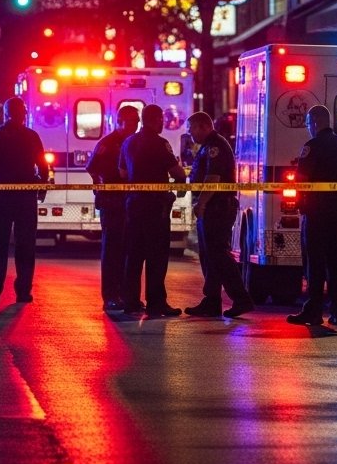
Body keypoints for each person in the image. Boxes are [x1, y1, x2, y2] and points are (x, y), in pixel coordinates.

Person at [287, 104, 337, 326]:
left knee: (315, 263)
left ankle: (314, 311)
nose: (308, 128)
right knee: (336, 262)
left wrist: (298, 203)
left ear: (315, 122)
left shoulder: (312, 146)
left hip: (316, 212)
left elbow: (302, 179)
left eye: (308, 123)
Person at [0, 97, 50, 305]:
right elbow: (43, 166)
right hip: (26, 197)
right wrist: (41, 190)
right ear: (24, 113)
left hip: (1, 196)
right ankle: (23, 292)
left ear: (6, 113)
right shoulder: (32, 136)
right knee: (26, 246)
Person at [118, 104, 186, 317]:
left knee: (133, 255)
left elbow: (121, 173)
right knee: (157, 256)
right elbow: (177, 172)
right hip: (156, 208)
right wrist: (180, 182)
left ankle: (130, 301)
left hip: (133, 205)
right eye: (161, 120)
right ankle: (156, 303)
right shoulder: (160, 143)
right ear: (156, 119)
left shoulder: (128, 142)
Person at [184, 111, 253, 318]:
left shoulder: (215, 147)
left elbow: (212, 178)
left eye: (192, 129)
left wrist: (202, 204)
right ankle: (212, 301)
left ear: (203, 126)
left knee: (219, 256)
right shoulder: (207, 146)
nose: (190, 134)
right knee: (209, 256)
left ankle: (241, 299)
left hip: (218, 207)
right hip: (213, 207)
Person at [86, 104, 139, 313]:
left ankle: (127, 295)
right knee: (112, 251)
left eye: (137, 121)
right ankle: (110, 296)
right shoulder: (107, 143)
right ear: (120, 121)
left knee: (129, 250)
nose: (135, 125)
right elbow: (92, 168)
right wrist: (101, 188)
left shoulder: (134, 142)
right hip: (112, 203)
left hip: (129, 203)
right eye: (131, 121)